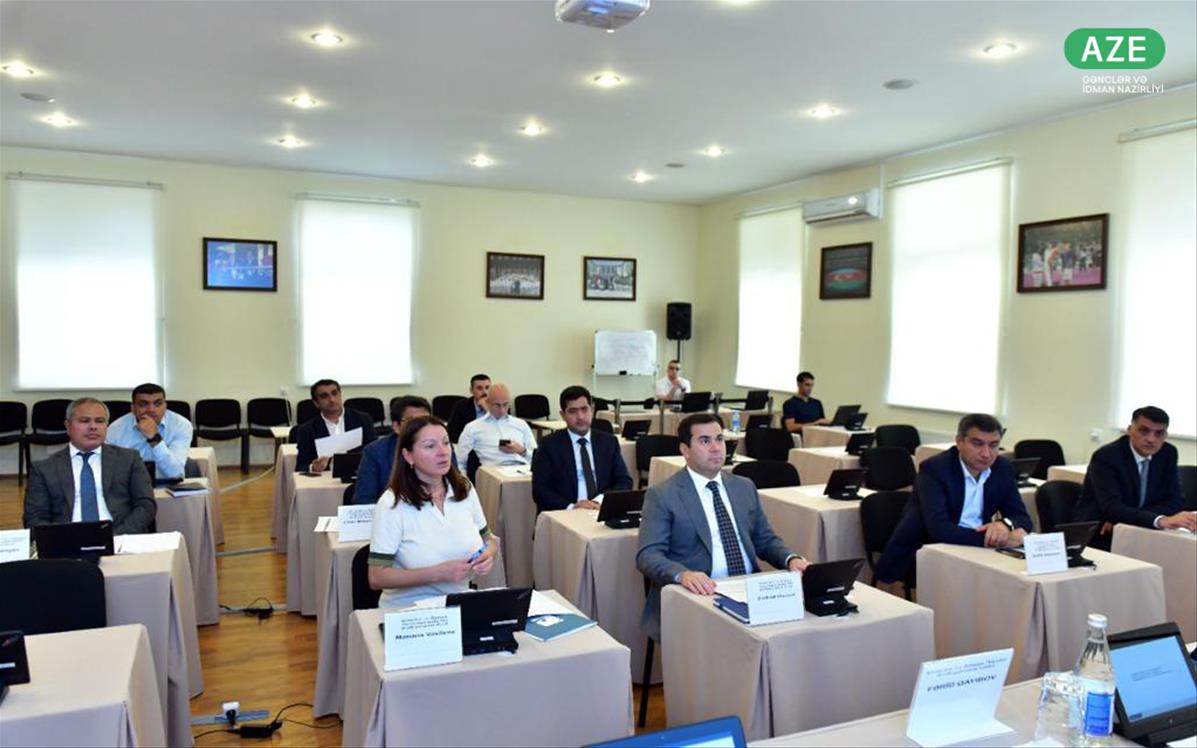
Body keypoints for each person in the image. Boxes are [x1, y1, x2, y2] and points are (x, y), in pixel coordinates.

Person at [636, 413, 808, 639]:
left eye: (719, 439)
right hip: (701, 593)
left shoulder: (743, 486)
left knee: (802, 630)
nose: (716, 448)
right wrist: (682, 575)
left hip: (748, 588)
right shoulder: (663, 495)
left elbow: (765, 540)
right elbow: (648, 555)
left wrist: (791, 559)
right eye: (705, 441)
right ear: (685, 450)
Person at [874, 413, 1032, 584]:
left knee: (1017, 580)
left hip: (978, 550)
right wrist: (999, 540)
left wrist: (1004, 524)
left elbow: (1023, 518)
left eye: (993, 445)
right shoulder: (934, 470)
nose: (986, 454)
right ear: (959, 441)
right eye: (977, 444)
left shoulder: (1002, 468)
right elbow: (939, 529)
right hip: (930, 549)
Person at [366, 415, 499, 608]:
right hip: (409, 609)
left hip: (459, 603)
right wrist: (437, 573)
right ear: (408, 456)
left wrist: (488, 555)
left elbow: (490, 540)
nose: (443, 452)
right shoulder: (392, 503)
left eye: (446, 443)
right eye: (430, 446)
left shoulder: (464, 488)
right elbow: (377, 577)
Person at [23, 397, 157, 534]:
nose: (93, 427)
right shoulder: (45, 468)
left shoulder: (128, 459)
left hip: (120, 536)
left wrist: (116, 537)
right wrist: (62, 540)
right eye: (84, 421)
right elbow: (34, 517)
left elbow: (146, 505)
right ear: (68, 426)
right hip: (67, 540)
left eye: (100, 421)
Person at [1073, 406, 1194, 550]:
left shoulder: (1167, 453)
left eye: (1159, 433)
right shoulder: (1107, 456)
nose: (1151, 439)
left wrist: (1128, 518)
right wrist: (1159, 520)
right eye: (1144, 431)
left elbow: (1176, 501)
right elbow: (1111, 507)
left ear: (1165, 435)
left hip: (1133, 527)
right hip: (1099, 532)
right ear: (1130, 430)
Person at [532, 385, 634, 512]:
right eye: (572, 411)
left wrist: (599, 501)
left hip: (600, 509)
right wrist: (572, 507)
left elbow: (624, 481)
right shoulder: (549, 445)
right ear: (563, 415)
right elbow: (540, 490)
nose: (580, 416)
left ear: (592, 410)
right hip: (566, 513)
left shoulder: (608, 442)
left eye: (584, 409)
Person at [354, 395, 440, 505]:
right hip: (391, 511)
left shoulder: (442, 448)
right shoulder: (374, 452)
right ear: (397, 427)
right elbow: (363, 500)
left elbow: (453, 489)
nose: (421, 428)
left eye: (426, 421)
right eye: (413, 422)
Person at [105, 382, 194, 480]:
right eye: (143, 404)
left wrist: (154, 438)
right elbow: (110, 471)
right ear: (133, 408)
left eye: (158, 404)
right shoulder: (115, 429)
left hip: (167, 483)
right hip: (129, 483)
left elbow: (176, 474)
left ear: (165, 406)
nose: (151, 409)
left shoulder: (181, 425)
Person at [293, 379, 377, 472]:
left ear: (340, 395)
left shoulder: (362, 419)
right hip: (324, 478)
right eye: (324, 396)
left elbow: (375, 453)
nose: (332, 400)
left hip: (358, 475)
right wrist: (313, 467)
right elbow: (301, 466)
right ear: (316, 403)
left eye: (334, 393)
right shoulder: (307, 429)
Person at [455, 383, 537, 467]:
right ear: (487, 403)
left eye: (505, 404)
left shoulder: (521, 424)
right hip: (492, 470)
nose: (502, 410)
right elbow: (461, 461)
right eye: (497, 405)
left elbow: (537, 457)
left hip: (521, 469)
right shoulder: (473, 428)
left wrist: (521, 450)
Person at [447, 374, 491, 443]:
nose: (485, 392)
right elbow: (451, 433)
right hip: (469, 445)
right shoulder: (461, 406)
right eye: (479, 388)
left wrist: (487, 410)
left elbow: (505, 429)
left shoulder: (499, 404)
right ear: (471, 390)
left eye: (487, 388)